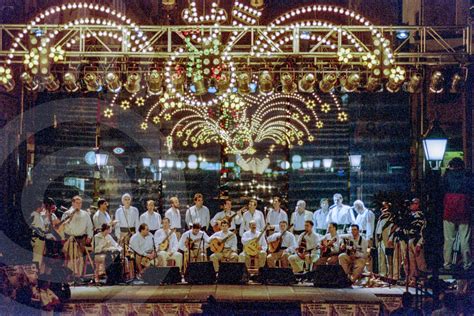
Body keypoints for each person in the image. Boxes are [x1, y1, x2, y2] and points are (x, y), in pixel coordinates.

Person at [441, 157, 472, 271]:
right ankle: (467, 263)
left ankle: (447, 263)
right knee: (465, 238)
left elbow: (440, 189)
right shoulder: (468, 176)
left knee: (449, 238)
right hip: (464, 207)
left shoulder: (446, 176)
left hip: (449, 207)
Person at [61, 196, 94, 277]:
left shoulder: (85, 214)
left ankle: (79, 275)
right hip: (71, 238)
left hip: (82, 238)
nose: (79, 205)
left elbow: (90, 226)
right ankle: (70, 275)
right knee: (71, 258)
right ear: (73, 203)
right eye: (77, 203)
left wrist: (89, 236)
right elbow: (62, 227)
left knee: (80, 258)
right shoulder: (67, 213)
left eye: (80, 203)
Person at [401, 198, 427, 286]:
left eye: (414, 203)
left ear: (418, 204)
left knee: (420, 262)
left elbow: (422, 230)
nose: (411, 205)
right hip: (409, 240)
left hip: (417, 239)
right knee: (411, 262)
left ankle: (423, 280)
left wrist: (420, 243)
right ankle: (413, 279)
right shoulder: (409, 215)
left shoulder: (420, 215)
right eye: (411, 204)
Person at [30, 197, 58, 272]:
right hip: (38, 239)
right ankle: (35, 275)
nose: (43, 208)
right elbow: (36, 228)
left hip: (42, 239)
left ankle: (40, 275)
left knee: (41, 259)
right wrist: (46, 235)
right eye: (42, 206)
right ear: (38, 207)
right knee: (37, 258)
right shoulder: (35, 215)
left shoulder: (38, 215)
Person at [375, 202, 400, 280]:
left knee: (389, 258)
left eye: (385, 206)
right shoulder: (381, 217)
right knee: (381, 257)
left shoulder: (392, 217)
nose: (384, 208)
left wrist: (390, 238)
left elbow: (393, 229)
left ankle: (390, 275)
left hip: (387, 239)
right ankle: (382, 274)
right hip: (380, 239)